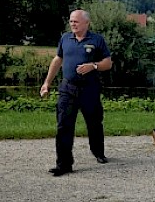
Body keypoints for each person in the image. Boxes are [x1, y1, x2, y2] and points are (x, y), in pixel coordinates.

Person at [40, 9, 113, 176]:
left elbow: (108, 63)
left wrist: (93, 66)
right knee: (63, 126)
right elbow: (58, 59)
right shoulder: (65, 38)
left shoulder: (97, 40)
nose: (73, 24)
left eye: (76, 21)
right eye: (71, 21)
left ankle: (98, 152)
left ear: (86, 23)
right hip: (68, 89)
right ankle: (63, 164)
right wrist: (47, 83)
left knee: (94, 124)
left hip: (90, 90)